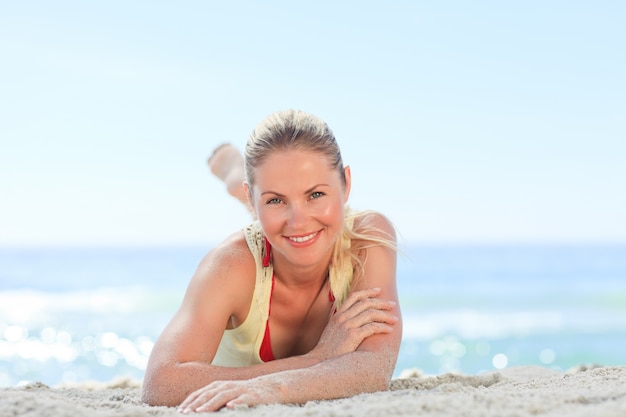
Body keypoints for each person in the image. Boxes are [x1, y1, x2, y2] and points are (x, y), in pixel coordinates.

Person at [142, 109, 402, 413]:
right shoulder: (230, 264)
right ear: (252, 199)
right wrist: (316, 360)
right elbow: (159, 384)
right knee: (287, 227)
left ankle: (247, 180)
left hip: (275, 212)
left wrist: (273, 387)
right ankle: (238, 177)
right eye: (274, 199)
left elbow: (374, 368)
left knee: (289, 226)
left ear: (345, 183)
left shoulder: (366, 238)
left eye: (316, 194)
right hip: (257, 239)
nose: (299, 220)